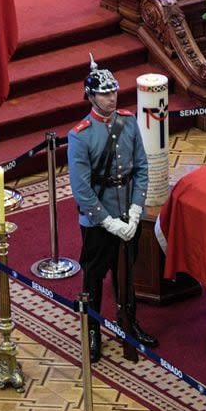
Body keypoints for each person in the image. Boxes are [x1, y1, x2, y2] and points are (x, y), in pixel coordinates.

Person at [67, 56, 159, 363]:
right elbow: (81, 189)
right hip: (98, 221)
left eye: (114, 91)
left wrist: (135, 210)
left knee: (126, 274)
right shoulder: (80, 135)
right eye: (105, 93)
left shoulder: (128, 121)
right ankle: (92, 330)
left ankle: (129, 322)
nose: (112, 96)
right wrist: (107, 221)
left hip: (127, 215)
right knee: (94, 278)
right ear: (91, 96)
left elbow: (141, 169)